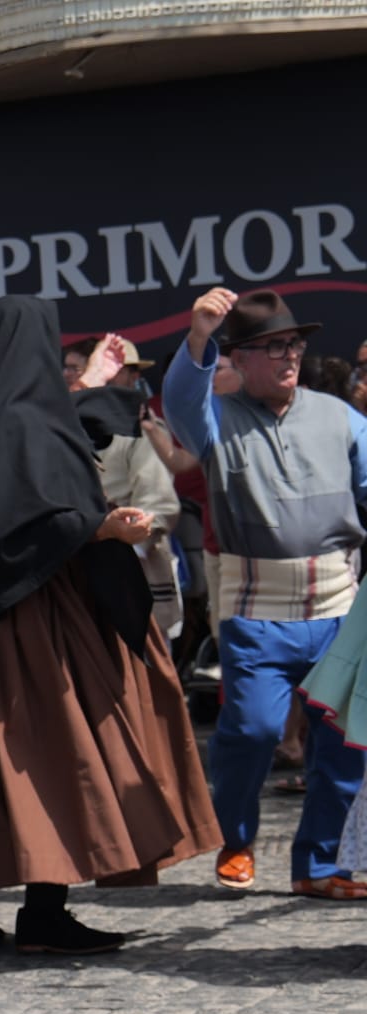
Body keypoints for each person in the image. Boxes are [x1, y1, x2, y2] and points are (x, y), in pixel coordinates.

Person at [0, 295, 221, 953]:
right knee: (55, 756)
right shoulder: (20, 424)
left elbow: (34, 473)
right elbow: (34, 513)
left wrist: (88, 386)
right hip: (33, 620)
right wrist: (103, 525)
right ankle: (44, 912)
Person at [170, 288, 367, 899]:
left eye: (294, 344)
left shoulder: (340, 417)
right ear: (239, 358)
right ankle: (235, 839)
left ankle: (318, 866)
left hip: (339, 604)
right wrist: (198, 336)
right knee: (252, 731)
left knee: (341, 745)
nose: (288, 356)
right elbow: (180, 400)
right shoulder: (216, 420)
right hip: (257, 612)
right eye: (272, 347)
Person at [74, 336, 183, 639]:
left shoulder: (141, 428)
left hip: (133, 584)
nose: (71, 375)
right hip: (80, 589)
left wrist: (119, 537)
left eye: (119, 368)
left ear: (132, 377)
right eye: (69, 368)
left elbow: (159, 505)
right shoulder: (62, 428)